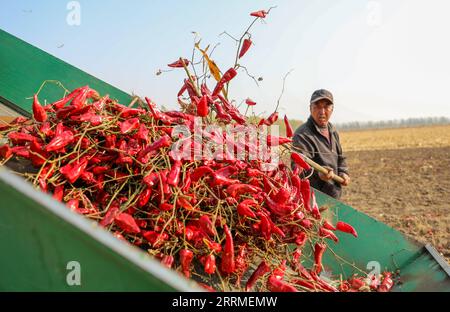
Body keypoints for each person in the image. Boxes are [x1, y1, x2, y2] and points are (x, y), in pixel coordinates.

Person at [292, 89, 350, 199]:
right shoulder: (303, 135)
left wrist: (343, 172)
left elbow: (340, 157)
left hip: (334, 196)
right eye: (317, 106)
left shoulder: (332, 131)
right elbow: (298, 169)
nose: (322, 111)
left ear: (332, 109)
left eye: (326, 107)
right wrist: (318, 175)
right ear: (310, 108)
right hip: (314, 200)